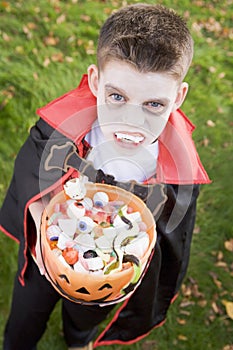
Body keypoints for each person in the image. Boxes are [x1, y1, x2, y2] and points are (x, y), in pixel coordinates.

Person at [0, 3, 210, 350]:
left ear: (178, 98)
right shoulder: (61, 132)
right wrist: (41, 220)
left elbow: (170, 237)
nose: (132, 122)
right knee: (26, 315)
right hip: (48, 250)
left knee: (84, 317)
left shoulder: (176, 173)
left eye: (153, 104)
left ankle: (78, 339)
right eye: (117, 97)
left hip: (104, 275)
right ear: (96, 82)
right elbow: (31, 168)